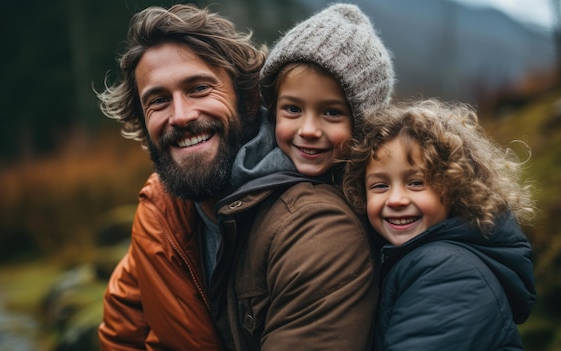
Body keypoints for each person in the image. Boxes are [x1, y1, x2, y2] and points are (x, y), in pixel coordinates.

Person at [96, 3, 394, 351]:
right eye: (158, 100)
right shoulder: (160, 211)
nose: (179, 115)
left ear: (250, 100)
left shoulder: (317, 230)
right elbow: (121, 337)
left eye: (198, 89)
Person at [342, 99, 537, 350]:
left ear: (456, 187)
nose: (397, 199)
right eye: (380, 185)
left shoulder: (448, 271)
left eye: (416, 183)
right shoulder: (419, 259)